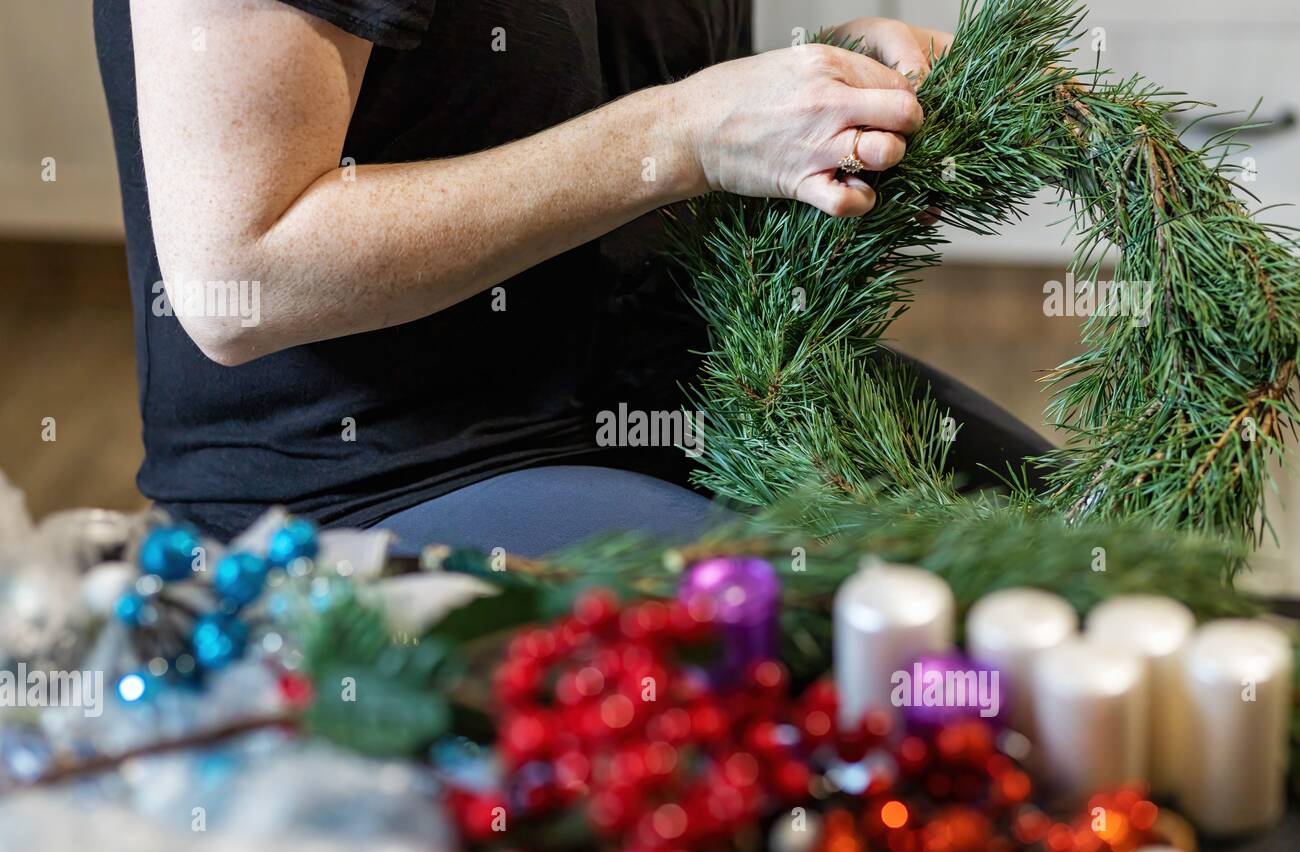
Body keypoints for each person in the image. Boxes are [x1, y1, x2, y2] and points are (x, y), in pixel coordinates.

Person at [94, 0, 1047, 555]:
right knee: (875, 659)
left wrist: (825, 107)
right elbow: (239, 272)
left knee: (1098, 552)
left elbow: (624, 147)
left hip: (673, 387)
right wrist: (681, 133)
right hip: (374, 473)